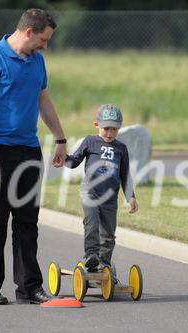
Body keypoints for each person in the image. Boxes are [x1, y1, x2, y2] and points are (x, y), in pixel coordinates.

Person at [0, 8, 67, 305]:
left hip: (29, 151)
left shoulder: (37, 62)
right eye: (43, 39)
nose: (45, 46)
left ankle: (29, 287)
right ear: (28, 32)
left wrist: (60, 138)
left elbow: (43, 100)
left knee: (27, 222)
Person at [64, 104, 138, 277]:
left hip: (110, 198)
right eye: (106, 128)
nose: (110, 133)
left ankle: (104, 263)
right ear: (96, 125)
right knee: (92, 224)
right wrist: (63, 158)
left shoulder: (121, 148)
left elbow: (125, 174)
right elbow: (74, 161)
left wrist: (131, 197)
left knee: (109, 234)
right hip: (90, 193)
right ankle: (91, 256)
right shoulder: (90, 141)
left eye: (114, 129)